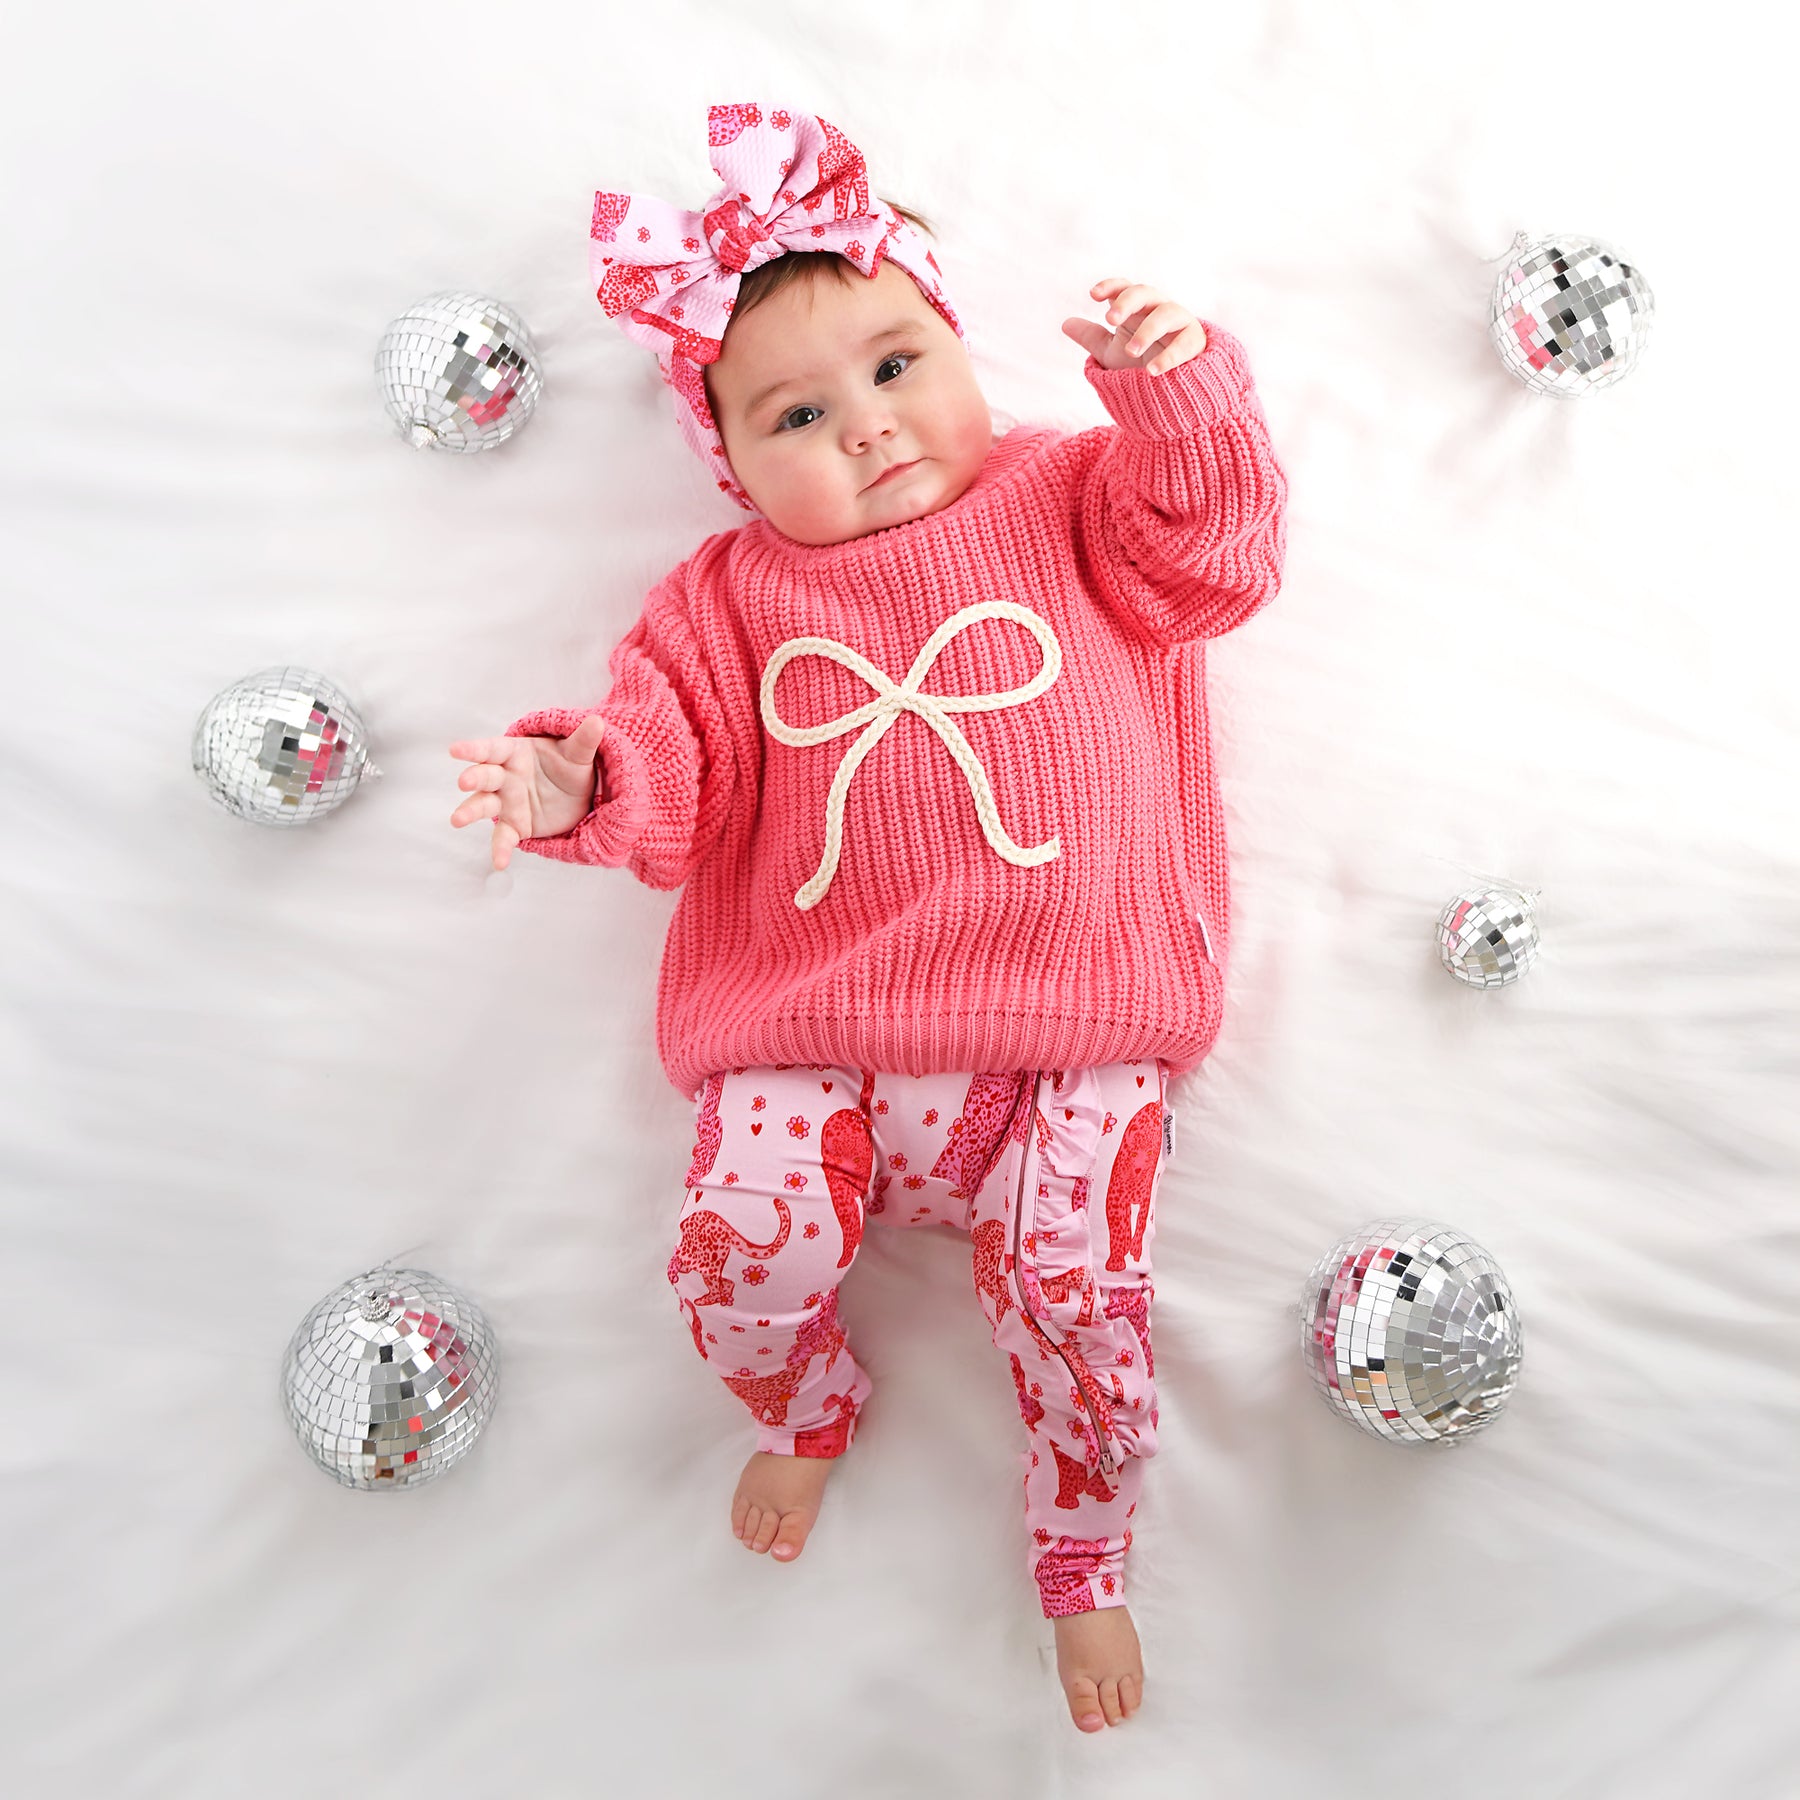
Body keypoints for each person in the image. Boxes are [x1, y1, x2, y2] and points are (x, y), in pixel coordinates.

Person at [447, 100, 1289, 1735]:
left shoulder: (1073, 496)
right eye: (798, 415)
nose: (870, 428)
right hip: (813, 1047)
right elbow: (669, 775)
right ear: (731, 464)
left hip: (1077, 1037)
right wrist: (571, 782)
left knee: (1079, 1301)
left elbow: (1218, 560)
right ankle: (805, 1400)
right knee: (735, 1253)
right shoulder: (727, 598)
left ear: (958, 345)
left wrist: (1176, 391)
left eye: (899, 366)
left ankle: (1081, 1547)